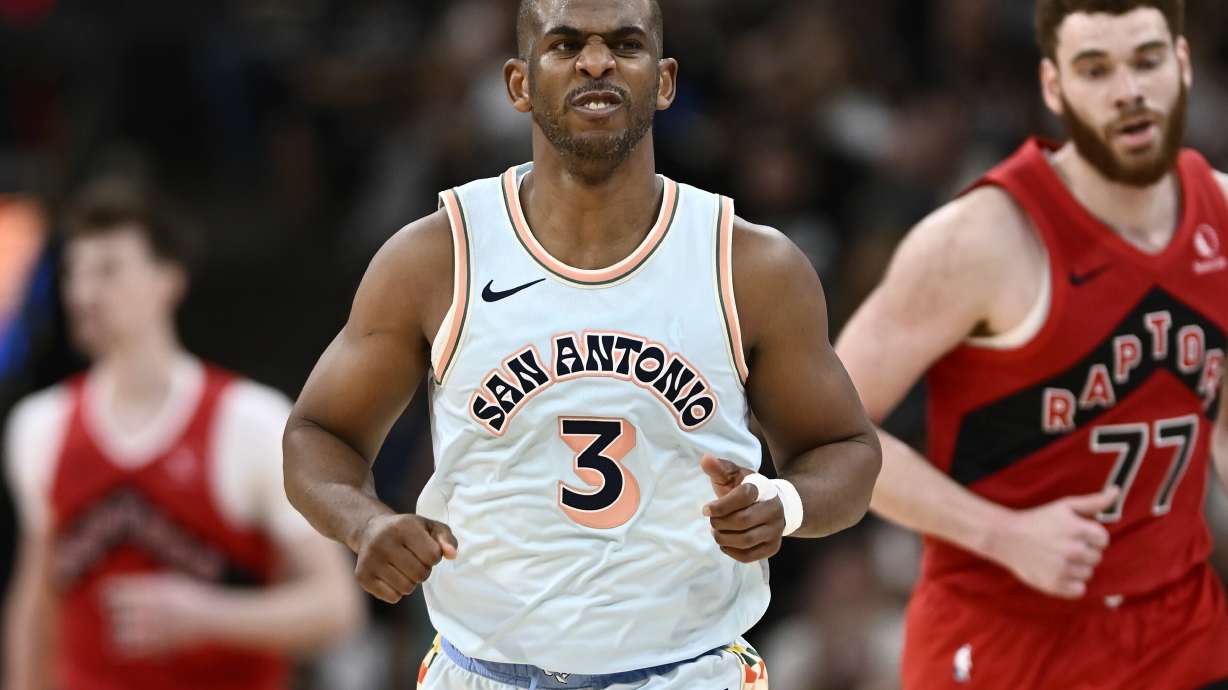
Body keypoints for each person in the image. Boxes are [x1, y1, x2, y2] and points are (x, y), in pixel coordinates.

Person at [282, 0, 882, 688]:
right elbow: (318, 433)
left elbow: (849, 452)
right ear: (517, 83)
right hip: (482, 669)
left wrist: (787, 504)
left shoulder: (750, 265)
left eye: (624, 44)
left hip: (687, 670)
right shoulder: (438, 255)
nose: (596, 62)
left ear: (663, 80)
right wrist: (364, 525)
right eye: (565, 44)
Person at [835, 1, 1228, 688]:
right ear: (1054, 87)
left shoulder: (1222, 215)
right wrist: (1001, 534)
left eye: (1146, 60)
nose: (1128, 90)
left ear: (1184, 64)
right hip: (1004, 643)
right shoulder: (984, 238)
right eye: (1095, 68)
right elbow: (826, 427)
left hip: (1179, 633)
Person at [2, 178, 364, 690]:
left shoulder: (249, 421)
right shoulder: (40, 426)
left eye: (107, 269)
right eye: (73, 272)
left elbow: (336, 609)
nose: (83, 293)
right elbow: (34, 607)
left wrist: (209, 615)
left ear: (168, 279)